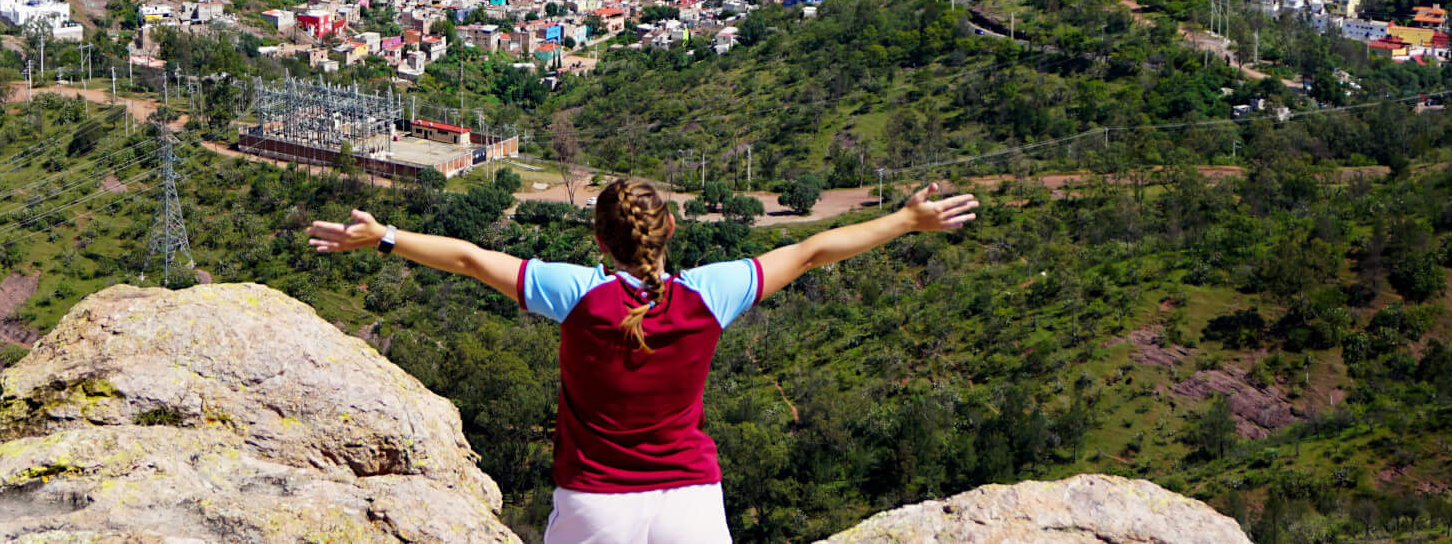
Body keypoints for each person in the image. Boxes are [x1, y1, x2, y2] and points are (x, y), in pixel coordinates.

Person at [308, 176, 978, 544]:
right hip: (691, 499)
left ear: (598, 240)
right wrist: (906, 221)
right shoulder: (707, 297)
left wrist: (384, 237)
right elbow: (811, 251)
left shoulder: (575, 294)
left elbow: (468, 258)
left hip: (596, 504)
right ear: (671, 233)